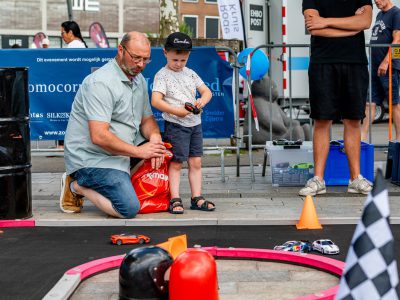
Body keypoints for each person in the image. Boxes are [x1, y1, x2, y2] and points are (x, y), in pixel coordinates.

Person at [60, 31, 166, 218]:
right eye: (136, 58)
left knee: (164, 147)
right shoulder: (101, 82)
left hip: (122, 151)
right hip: (92, 158)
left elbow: (147, 120)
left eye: (146, 59)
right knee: (128, 208)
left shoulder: (138, 79)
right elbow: (99, 136)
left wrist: (156, 139)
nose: (141, 65)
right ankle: (75, 185)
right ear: (120, 50)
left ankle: (121, 181)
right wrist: (141, 152)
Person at [299, 0, 373, 196]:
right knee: (322, 120)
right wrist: (350, 26)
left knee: (353, 120)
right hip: (323, 62)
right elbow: (315, 28)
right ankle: (318, 179)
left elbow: (365, 22)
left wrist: (326, 21)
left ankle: (355, 179)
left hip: (355, 62)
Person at [151, 32, 215, 214]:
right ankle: (174, 199)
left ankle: (196, 197)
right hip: (176, 125)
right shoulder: (162, 75)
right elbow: (156, 101)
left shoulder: (190, 73)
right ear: (165, 53)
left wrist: (201, 101)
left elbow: (207, 92)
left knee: (196, 162)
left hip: (195, 124)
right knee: (177, 163)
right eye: (175, 60)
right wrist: (177, 111)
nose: (179, 64)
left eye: (183, 60)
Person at [361, 0, 400, 141]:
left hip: (389, 67)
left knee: (394, 104)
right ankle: (361, 138)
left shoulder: (396, 13)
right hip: (375, 67)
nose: (376, 1)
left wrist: (386, 61)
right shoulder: (379, 15)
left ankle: (398, 141)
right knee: (369, 103)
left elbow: (397, 40)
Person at [59, 21, 88, 149]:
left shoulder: (72, 47)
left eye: (63, 33)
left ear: (70, 32)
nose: (62, 36)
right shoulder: (82, 45)